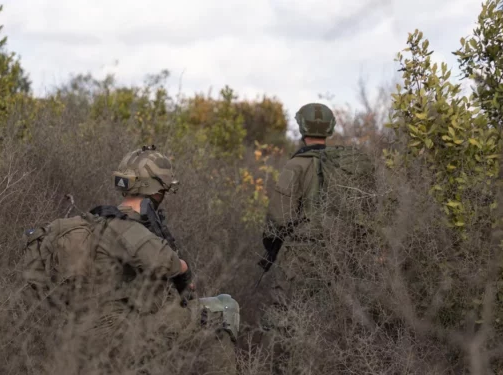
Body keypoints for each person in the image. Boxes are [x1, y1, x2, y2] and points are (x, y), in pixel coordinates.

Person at [21, 145, 237, 374]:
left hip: (74, 335)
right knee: (224, 308)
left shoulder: (92, 221)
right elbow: (175, 266)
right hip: (119, 337)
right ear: (157, 191)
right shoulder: (131, 231)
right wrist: (184, 271)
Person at [255, 102, 373, 373]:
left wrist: (271, 249)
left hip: (301, 256)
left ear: (301, 127)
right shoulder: (346, 166)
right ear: (330, 128)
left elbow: (278, 218)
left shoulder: (296, 166)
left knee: (287, 321)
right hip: (343, 255)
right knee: (335, 321)